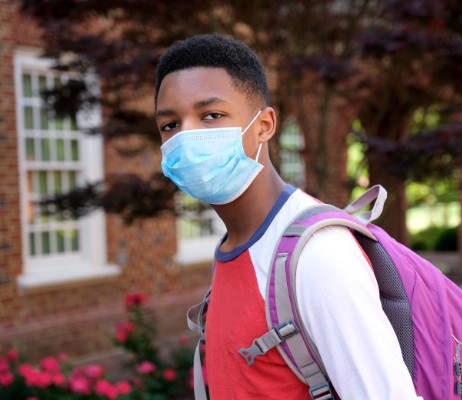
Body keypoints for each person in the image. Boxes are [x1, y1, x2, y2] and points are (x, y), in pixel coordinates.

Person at [155, 33, 421, 400]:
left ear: (263, 125)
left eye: (211, 116)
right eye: (170, 124)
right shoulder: (236, 243)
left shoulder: (318, 255)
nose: (186, 136)